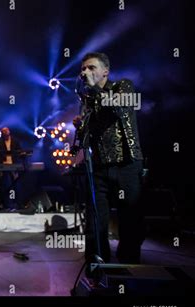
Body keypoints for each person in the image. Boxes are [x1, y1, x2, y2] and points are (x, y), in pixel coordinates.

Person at [73, 52, 144, 268]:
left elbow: (118, 108)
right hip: (100, 167)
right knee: (95, 218)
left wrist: (93, 90)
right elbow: (89, 133)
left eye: (91, 68)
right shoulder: (88, 100)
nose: (85, 72)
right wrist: (81, 125)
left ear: (105, 71)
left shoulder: (123, 86)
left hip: (127, 163)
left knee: (130, 218)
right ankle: (97, 264)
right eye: (83, 69)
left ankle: (129, 267)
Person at [0, 127, 23, 210]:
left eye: (6, 131)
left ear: (9, 131)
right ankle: (8, 204)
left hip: (14, 165)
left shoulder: (15, 141)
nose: (5, 132)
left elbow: (20, 152)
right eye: (3, 131)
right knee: (7, 185)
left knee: (16, 186)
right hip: (5, 166)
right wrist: (2, 161)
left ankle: (17, 204)